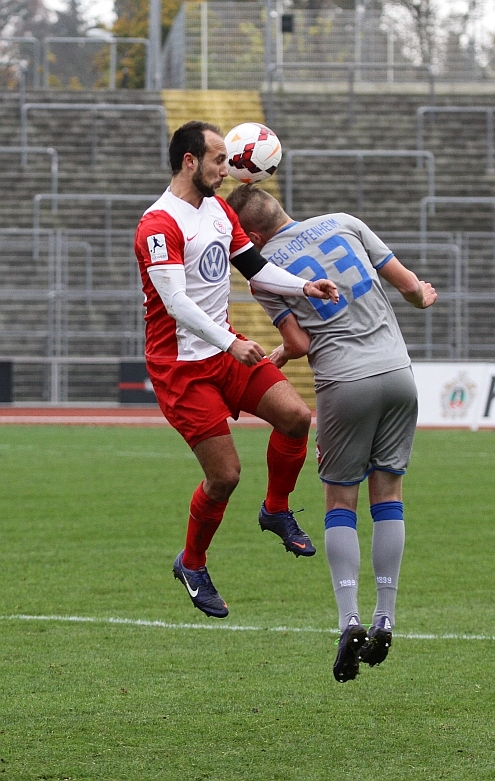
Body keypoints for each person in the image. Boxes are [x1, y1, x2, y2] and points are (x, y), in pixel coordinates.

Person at [226, 184, 437, 681]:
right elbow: (408, 286)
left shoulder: (263, 272)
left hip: (345, 383)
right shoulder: (344, 222)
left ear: (253, 237)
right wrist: (422, 297)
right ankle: (386, 615)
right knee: (389, 496)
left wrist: (281, 353)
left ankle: (350, 620)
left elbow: (299, 342)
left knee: (341, 501)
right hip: (399, 374)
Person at [134, 121, 338, 620]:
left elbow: (256, 268)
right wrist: (232, 342)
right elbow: (177, 303)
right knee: (224, 476)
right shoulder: (158, 225)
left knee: (296, 417)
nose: (228, 170)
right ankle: (192, 563)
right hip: (182, 369)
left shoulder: (220, 211)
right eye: (219, 160)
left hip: (225, 352)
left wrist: (303, 286)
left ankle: (276, 509)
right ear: (189, 161)